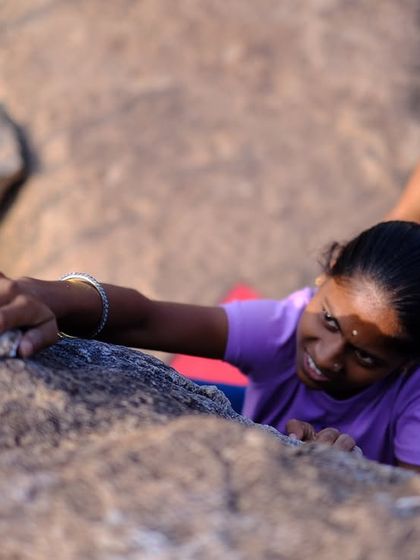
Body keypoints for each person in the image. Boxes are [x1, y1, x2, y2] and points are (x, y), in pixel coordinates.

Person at [2, 168, 420, 472]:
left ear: (406, 364)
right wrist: (50, 295)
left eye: (364, 357)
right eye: (329, 320)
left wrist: (358, 476)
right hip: (253, 412)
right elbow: (145, 319)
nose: (328, 357)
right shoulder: (284, 327)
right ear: (325, 273)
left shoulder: (412, 400)